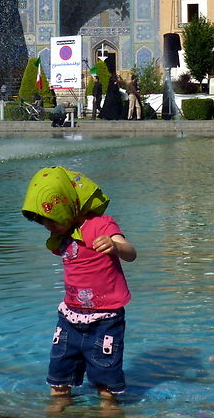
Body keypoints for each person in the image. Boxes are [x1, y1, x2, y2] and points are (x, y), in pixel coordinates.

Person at [21, 166, 137, 404]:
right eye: (43, 223)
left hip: (105, 320)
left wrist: (115, 246)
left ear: (66, 206)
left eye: (51, 221)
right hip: (70, 318)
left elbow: (131, 253)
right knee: (58, 382)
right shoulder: (62, 235)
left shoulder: (102, 225)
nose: (48, 227)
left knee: (107, 389)